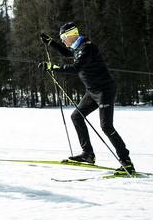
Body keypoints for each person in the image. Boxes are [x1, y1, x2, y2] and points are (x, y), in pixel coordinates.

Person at [39, 22, 135, 173]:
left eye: (63, 37)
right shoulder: (77, 47)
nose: (63, 40)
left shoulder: (87, 47)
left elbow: (76, 68)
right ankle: (88, 154)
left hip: (105, 91)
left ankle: (126, 162)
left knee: (106, 126)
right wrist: (51, 43)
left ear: (71, 35)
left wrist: (53, 67)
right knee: (76, 116)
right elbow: (66, 52)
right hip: (92, 92)